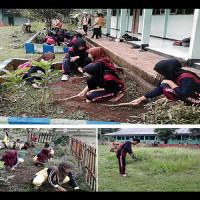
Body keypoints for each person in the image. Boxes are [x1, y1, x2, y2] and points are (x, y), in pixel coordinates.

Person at [129, 59, 200, 106]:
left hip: (197, 100)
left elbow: (184, 94)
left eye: (160, 72)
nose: (159, 75)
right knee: (164, 85)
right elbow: (159, 89)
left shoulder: (186, 77)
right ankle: (174, 100)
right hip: (190, 96)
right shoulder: (173, 75)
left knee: (166, 86)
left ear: (167, 71)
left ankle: (177, 102)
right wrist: (140, 99)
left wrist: (170, 83)